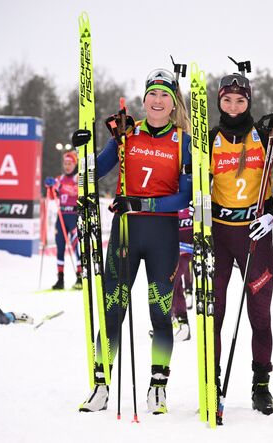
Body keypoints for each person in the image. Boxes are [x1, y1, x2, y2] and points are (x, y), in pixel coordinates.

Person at [72, 68, 192, 415]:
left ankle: (158, 386)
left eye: (164, 96)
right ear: (144, 99)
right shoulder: (126, 133)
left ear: (173, 104)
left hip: (162, 236)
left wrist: (140, 203)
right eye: (152, 94)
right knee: (112, 310)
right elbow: (92, 173)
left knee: (160, 313)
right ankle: (100, 384)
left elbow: (184, 198)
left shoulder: (183, 141)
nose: (157, 101)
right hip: (126, 235)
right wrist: (85, 147)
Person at [209, 73, 273, 415]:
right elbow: (194, 185)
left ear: (249, 102)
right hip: (220, 237)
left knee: (260, 315)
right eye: (228, 100)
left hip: (256, 236)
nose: (234, 107)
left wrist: (272, 214)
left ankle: (261, 387)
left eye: (241, 101)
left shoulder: (266, 139)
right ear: (219, 102)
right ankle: (211, 383)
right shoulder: (209, 139)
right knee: (215, 314)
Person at [44, 151, 82, 290]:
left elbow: (81, 193)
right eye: (65, 163)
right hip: (61, 216)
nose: (67, 166)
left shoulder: (77, 178)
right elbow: (52, 196)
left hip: (74, 216)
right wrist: (49, 187)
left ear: (74, 164)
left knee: (77, 247)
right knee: (59, 248)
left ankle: (80, 277)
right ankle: (60, 279)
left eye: (70, 163)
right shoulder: (59, 179)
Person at [171, 207, 194, 341]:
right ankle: (182, 324)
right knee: (174, 282)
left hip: (186, 248)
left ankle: (177, 321)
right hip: (169, 248)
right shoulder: (168, 196)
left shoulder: (190, 193)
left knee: (172, 280)